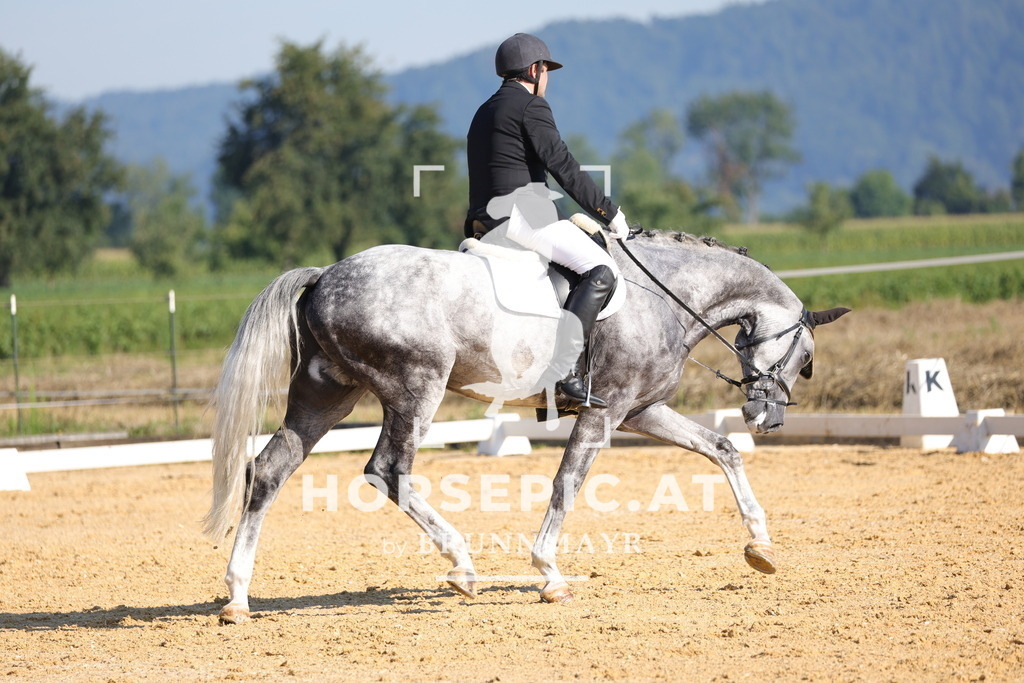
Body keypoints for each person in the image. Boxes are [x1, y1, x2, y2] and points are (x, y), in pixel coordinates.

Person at [465, 32, 630, 408]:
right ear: (535, 69)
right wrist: (609, 211)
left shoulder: (485, 110)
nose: (548, 78)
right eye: (547, 70)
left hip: (484, 220)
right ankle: (565, 373)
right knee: (600, 270)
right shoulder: (530, 107)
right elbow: (563, 167)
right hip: (524, 216)